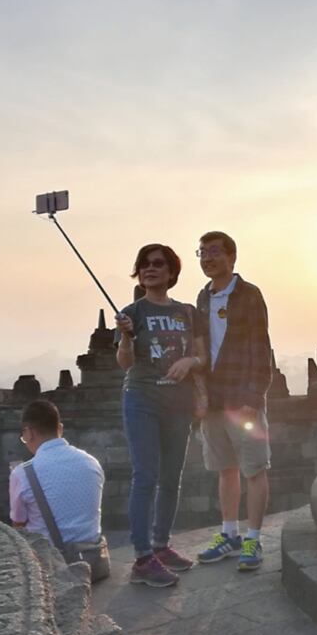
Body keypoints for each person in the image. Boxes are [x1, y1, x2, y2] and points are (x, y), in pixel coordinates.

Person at [116, 243, 207, 588]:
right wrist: (126, 339)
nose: (150, 269)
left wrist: (191, 362)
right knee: (145, 475)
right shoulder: (131, 313)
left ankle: (161, 545)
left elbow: (202, 356)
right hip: (142, 398)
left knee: (172, 476)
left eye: (158, 264)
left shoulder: (187, 312)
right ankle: (142, 557)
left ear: (171, 273)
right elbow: (125, 363)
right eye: (144, 265)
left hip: (178, 402)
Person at [194, 231, 272, 571]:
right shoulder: (202, 297)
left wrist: (255, 396)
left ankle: (253, 538)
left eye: (214, 252)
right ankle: (229, 533)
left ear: (232, 257)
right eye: (202, 252)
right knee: (224, 468)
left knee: (254, 467)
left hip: (242, 397)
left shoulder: (249, 295)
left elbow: (261, 346)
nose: (207, 258)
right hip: (213, 398)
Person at [10, 400, 104, 546]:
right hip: (93, 557)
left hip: (48, 561)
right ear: (60, 428)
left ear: (28, 433)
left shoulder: (23, 473)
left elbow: (18, 524)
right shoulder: (92, 463)